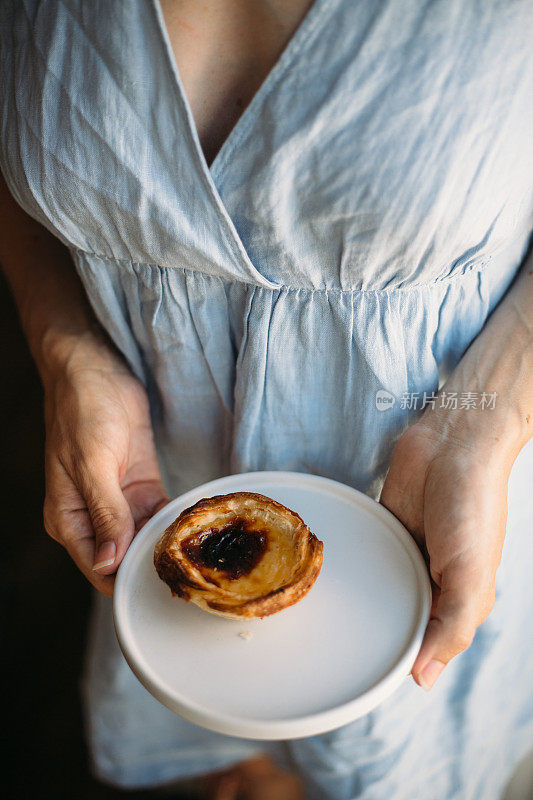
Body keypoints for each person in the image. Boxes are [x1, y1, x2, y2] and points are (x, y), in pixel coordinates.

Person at [1, 1, 533, 798]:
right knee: (219, 760)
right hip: (150, 479)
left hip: (439, 475)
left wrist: (486, 424)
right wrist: (67, 351)